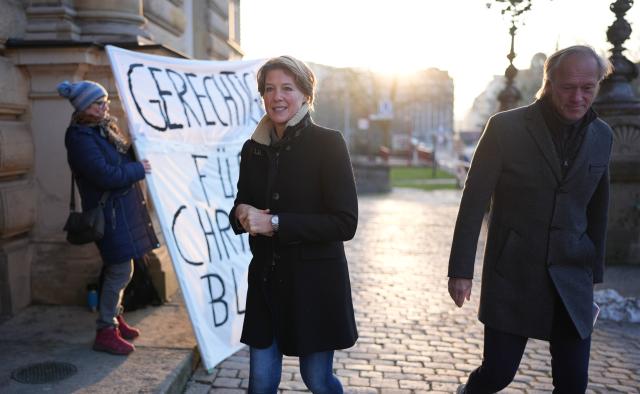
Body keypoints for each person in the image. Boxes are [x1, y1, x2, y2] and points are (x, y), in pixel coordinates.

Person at [447, 45, 613, 393]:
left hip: (572, 278)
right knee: (497, 374)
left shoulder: (603, 136)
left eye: (588, 87)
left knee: (573, 384)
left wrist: (593, 273)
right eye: (568, 87)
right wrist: (460, 271)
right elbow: (474, 200)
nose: (578, 97)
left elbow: (598, 207)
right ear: (549, 82)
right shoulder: (506, 128)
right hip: (514, 274)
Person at [229, 56, 358, 393]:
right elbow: (240, 207)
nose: (277, 96)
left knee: (317, 380)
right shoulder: (252, 149)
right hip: (266, 284)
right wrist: (242, 212)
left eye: (287, 88)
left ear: (305, 95)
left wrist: (275, 223)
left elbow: (345, 223)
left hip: (313, 287)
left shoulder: (329, 143)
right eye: (269, 89)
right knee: (260, 383)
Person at [58, 80, 160, 355]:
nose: (105, 106)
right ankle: (105, 329)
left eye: (105, 100)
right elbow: (105, 175)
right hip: (109, 215)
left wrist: (136, 146)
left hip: (122, 211)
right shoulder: (80, 137)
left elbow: (120, 162)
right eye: (98, 103)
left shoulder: (103, 129)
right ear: (83, 108)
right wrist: (139, 169)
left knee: (121, 269)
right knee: (120, 269)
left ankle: (114, 317)